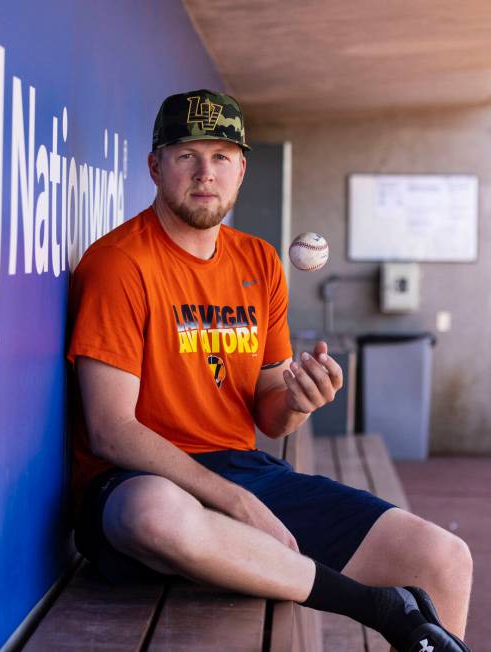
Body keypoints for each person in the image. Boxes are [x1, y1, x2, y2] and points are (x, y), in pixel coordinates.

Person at [67, 89, 472, 652]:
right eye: (187, 155)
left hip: (245, 468)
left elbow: (271, 415)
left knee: (444, 558)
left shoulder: (258, 261)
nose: (205, 173)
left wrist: (300, 399)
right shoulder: (119, 263)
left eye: (222, 157)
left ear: (241, 171)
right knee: (152, 513)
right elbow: (112, 429)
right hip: (143, 479)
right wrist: (235, 503)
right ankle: (377, 608)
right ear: (156, 166)